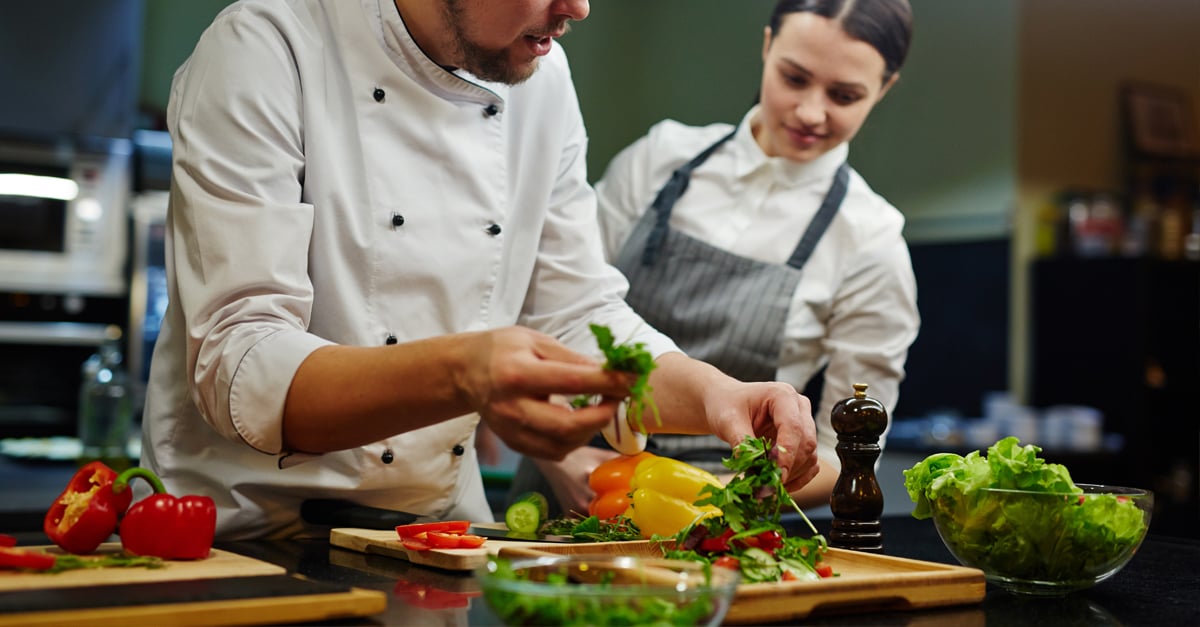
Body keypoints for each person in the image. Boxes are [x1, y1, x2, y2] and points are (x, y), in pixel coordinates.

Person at [138, 0, 822, 541]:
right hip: (243, 537)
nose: (579, 7)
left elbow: (578, 310)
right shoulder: (265, 49)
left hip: (437, 536)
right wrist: (467, 371)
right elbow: (241, 362)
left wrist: (713, 395)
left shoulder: (542, 78)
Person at [516, 0, 919, 514]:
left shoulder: (872, 240)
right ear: (767, 45)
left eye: (844, 96)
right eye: (794, 78)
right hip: (567, 475)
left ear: (883, 88)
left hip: (714, 516)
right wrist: (561, 457)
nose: (811, 112)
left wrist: (709, 502)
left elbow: (849, 455)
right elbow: (551, 310)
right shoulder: (661, 158)